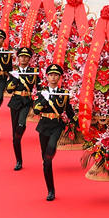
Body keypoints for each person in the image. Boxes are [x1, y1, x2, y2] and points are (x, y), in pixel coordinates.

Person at [33, 63, 76, 201]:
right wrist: (43, 98)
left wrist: (79, 123)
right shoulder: (41, 92)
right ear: (47, 77)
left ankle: (51, 152)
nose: (53, 77)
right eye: (51, 75)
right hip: (44, 125)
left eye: (56, 75)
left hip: (57, 125)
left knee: (50, 151)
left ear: (60, 77)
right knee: (46, 162)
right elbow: (35, 110)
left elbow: (69, 112)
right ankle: (50, 190)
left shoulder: (63, 93)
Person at [6, 46, 38, 170]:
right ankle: (18, 160)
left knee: (20, 125)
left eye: (26, 57)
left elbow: (39, 88)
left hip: (26, 101)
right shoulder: (14, 73)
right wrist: (13, 82)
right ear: (18, 58)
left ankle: (22, 126)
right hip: (15, 102)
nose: (23, 59)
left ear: (29, 59)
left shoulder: (34, 72)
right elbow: (8, 89)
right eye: (21, 57)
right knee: (15, 136)